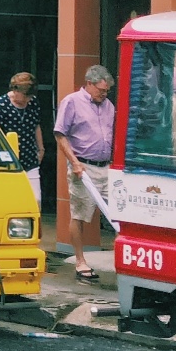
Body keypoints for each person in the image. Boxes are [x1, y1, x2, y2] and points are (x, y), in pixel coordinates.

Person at [54, 63, 116, 284]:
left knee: (118, 213)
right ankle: (80, 261)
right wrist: (75, 163)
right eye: (101, 89)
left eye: (107, 90)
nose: (104, 93)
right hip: (83, 166)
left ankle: (122, 261)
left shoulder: (108, 105)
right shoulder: (72, 101)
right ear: (89, 84)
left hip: (107, 165)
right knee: (79, 214)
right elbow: (61, 134)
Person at [0, 72, 47, 205]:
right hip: (6, 159)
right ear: (15, 90)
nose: (28, 99)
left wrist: (41, 149)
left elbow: (36, 125)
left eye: (30, 96)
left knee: (35, 199)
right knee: (10, 200)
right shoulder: (0, 105)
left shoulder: (33, 103)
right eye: (25, 96)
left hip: (30, 157)